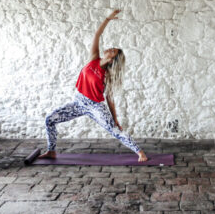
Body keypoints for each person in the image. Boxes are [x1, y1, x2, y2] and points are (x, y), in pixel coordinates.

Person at [39, 10, 148, 162]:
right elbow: (97, 35)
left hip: (95, 106)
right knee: (50, 119)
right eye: (112, 48)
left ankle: (140, 153)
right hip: (78, 102)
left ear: (112, 60)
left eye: (113, 51)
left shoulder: (108, 76)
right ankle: (51, 151)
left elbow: (109, 98)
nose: (110, 49)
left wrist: (115, 118)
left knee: (114, 130)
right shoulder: (94, 58)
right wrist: (107, 19)